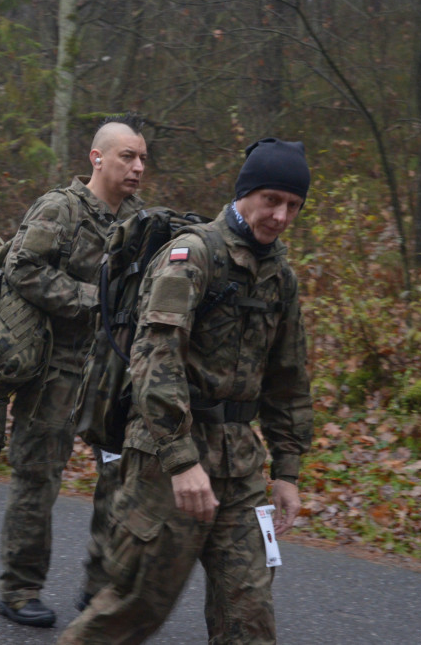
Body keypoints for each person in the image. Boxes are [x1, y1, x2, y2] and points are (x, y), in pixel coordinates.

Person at [58, 137, 315, 644]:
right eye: (271, 200)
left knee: (250, 615)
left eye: (293, 206)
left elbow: (289, 379)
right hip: (165, 461)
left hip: (241, 467)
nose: (281, 216)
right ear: (245, 194)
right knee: (132, 610)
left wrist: (287, 471)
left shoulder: (279, 277)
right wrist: (181, 459)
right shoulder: (192, 256)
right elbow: (155, 362)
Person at [0, 114, 146, 628]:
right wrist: (94, 299)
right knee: (38, 480)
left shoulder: (140, 219)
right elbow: (21, 268)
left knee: (118, 480)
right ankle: (20, 589)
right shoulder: (59, 208)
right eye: (127, 156)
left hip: (112, 375)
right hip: (55, 370)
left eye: (143, 158)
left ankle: (100, 585)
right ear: (97, 157)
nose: (137, 167)